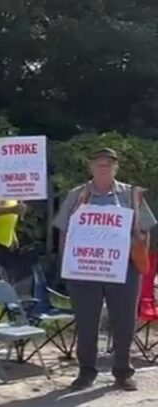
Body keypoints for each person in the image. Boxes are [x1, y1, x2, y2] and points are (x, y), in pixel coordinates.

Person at [55, 148, 156, 391]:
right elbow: (63, 231)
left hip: (124, 269)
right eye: (99, 164)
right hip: (84, 270)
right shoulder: (77, 195)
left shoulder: (131, 195)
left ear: (115, 168)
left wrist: (138, 252)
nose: (103, 168)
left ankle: (122, 371)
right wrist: (65, 266)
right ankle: (86, 372)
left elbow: (146, 231)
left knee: (124, 322)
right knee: (87, 322)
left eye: (108, 164)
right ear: (90, 167)